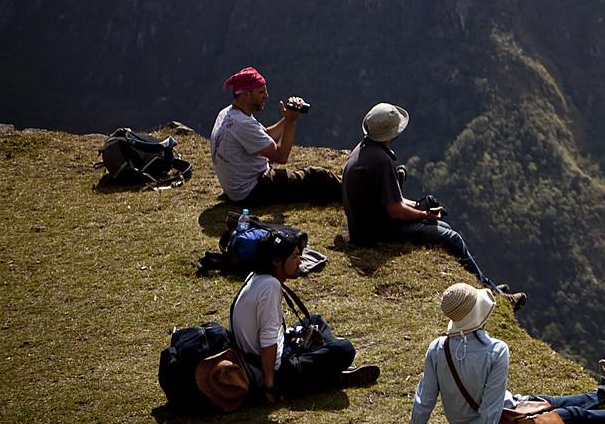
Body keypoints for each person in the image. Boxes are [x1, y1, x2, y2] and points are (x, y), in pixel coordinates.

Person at [374, 283, 605, 424]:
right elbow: (490, 403)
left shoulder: (438, 348)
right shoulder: (495, 350)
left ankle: (600, 398)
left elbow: (424, 398)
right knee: (568, 416)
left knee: (543, 400)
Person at [342, 103, 526, 309]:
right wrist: (424, 215)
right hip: (376, 234)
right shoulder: (382, 162)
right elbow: (396, 210)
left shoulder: (363, 150)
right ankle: (495, 295)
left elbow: (393, 201)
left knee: (444, 229)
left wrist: (421, 209)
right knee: (452, 237)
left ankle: (488, 286)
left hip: (364, 226)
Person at [230, 229, 379, 401]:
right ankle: (331, 374)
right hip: (278, 372)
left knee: (314, 320)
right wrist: (270, 387)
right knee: (345, 349)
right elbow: (268, 340)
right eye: (294, 257)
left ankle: (327, 368)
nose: (299, 262)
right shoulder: (269, 286)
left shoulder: (256, 276)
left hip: (267, 354)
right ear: (277, 261)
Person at [210, 67, 342, 204]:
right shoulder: (242, 124)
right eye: (261, 92)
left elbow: (264, 135)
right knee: (318, 176)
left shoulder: (228, 114)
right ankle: (356, 190)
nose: (266, 95)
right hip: (252, 191)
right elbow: (281, 156)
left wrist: (287, 117)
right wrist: (291, 122)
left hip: (237, 188)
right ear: (246, 94)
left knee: (310, 181)